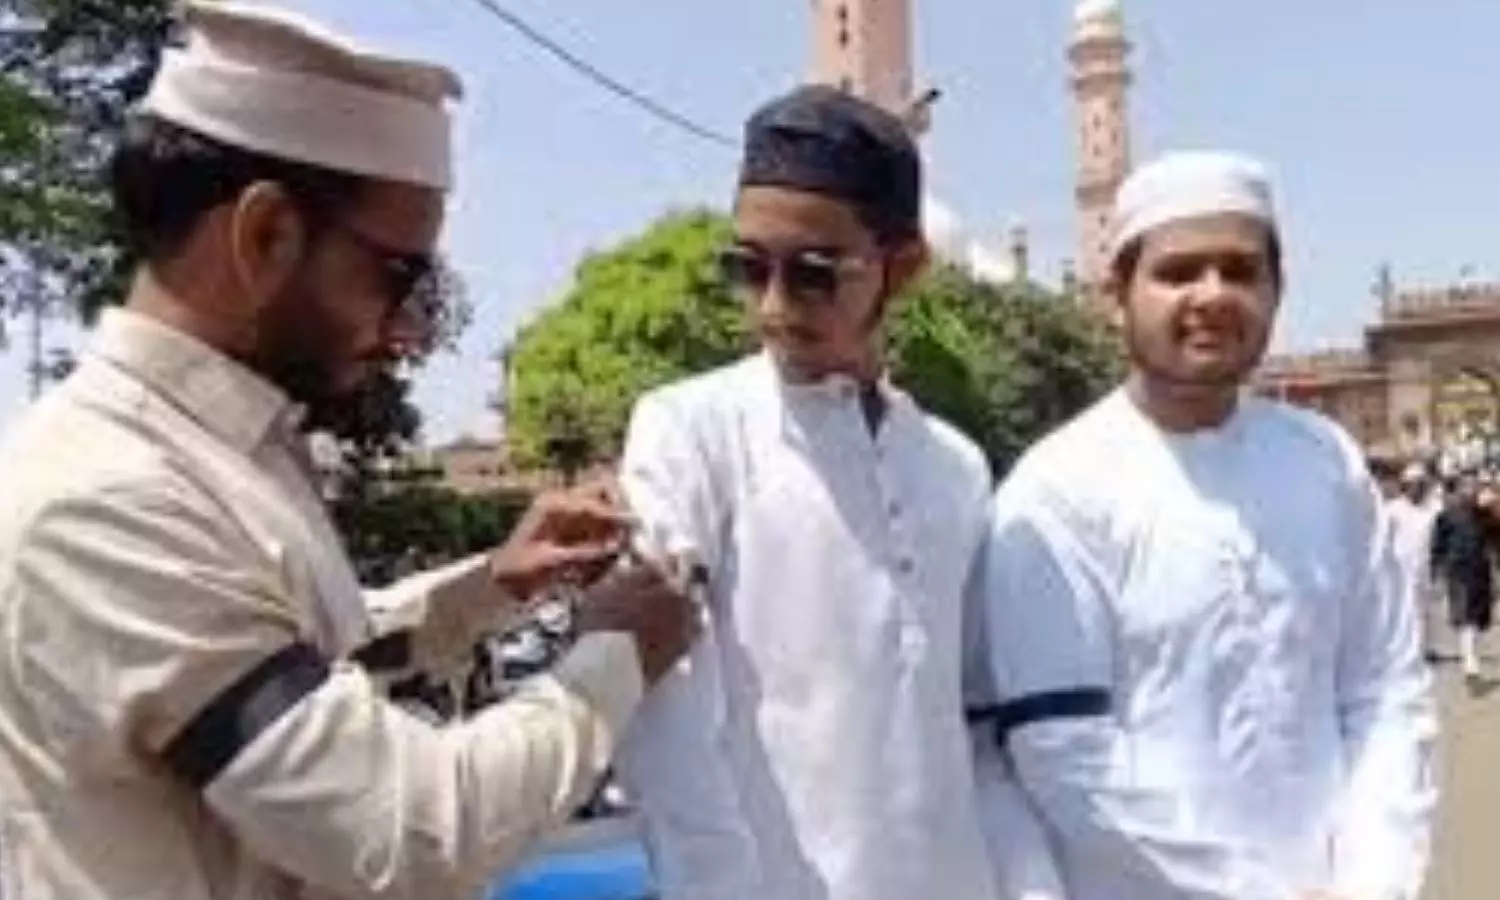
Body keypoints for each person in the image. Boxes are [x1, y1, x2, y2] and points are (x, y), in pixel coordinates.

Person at [0, 4, 697, 898]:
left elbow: (290, 657)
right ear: (264, 235)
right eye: (398, 277)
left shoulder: (215, 455)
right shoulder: (105, 497)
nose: (410, 333)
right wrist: (615, 655)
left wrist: (489, 588)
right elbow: (410, 834)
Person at [975, 151, 1437, 900]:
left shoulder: (1326, 462)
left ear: (1277, 291)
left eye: (1241, 270)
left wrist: (1374, 879)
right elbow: (1064, 753)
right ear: (1117, 295)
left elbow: (1384, 692)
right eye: (1179, 271)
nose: (1214, 294)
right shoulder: (1057, 491)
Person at [612, 85, 1022, 899]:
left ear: (903, 267)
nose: (772, 305)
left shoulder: (955, 468)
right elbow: (666, 719)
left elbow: (976, 718)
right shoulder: (689, 432)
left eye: (812, 274)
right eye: (747, 267)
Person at [1430, 470, 1497, 679]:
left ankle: (1471, 653)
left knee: (1479, 617)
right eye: (1466, 486)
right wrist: (1436, 570)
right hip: (1458, 570)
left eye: (1474, 486)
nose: (1470, 490)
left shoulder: (1485, 514)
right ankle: (1469, 659)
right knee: (1465, 613)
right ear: (1459, 489)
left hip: (1480, 570)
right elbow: (1438, 545)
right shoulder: (1447, 515)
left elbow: (1496, 540)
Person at [1388, 462, 1444, 662]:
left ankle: (1424, 647)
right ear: (1405, 486)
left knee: (1425, 610)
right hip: (1401, 566)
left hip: (1425, 565)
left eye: (1421, 484)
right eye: (1413, 484)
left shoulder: (1433, 509)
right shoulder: (1393, 509)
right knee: (1404, 610)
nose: (1417, 488)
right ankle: (1404, 650)